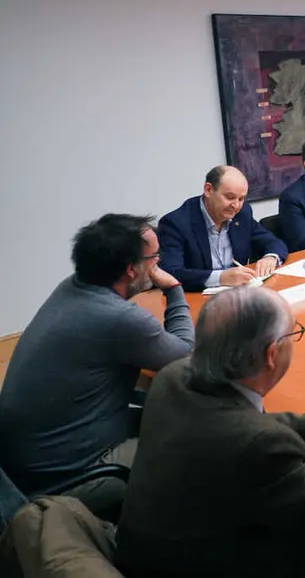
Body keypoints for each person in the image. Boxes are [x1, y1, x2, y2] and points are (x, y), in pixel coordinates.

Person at [114, 287, 305, 578]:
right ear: (272, 353)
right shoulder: (263, 447)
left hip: (147, 554)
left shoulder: (173, 377)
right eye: (292, 334)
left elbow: (234, 424)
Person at [0, 214, 194, 518]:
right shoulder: (118, 318)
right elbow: (187, 353)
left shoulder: (71, 287)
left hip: (25, 466)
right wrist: (174, 289)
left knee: (169, 410)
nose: (158, 264)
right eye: (155, 258)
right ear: (131, 270)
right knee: (199, 439)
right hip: (67, 482)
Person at [158, 166, 288, 292]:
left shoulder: (242, 214)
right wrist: (220, 278)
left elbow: (274, 242)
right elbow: (171, 273)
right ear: (208, 190)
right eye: (230, 197)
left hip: (240, 294)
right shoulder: (176, 223)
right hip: (198, 298)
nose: (236, 205)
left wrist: (270, 258)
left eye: (241, 198)